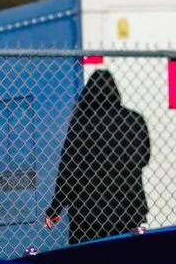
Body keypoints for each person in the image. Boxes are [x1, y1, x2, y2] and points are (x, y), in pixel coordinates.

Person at [44, 68, 151, 244]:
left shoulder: (81, 124)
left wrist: (55, 208)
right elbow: (144, 158)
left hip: (88, 215)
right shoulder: (134, 120)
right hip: (128, 209)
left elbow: (69, 171)